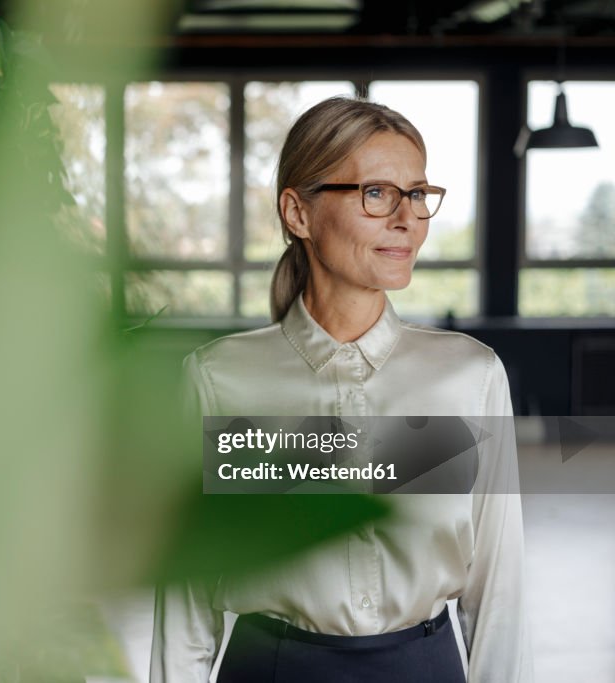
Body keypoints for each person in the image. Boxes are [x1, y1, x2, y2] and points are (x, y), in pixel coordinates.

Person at [150, 97, 532, 682]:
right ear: (298, 213)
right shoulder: (218, 379)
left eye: (418, 193)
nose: (407, 218)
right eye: (376, 193)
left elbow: (498, 592)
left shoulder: (470, 377)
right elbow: (184, 607)